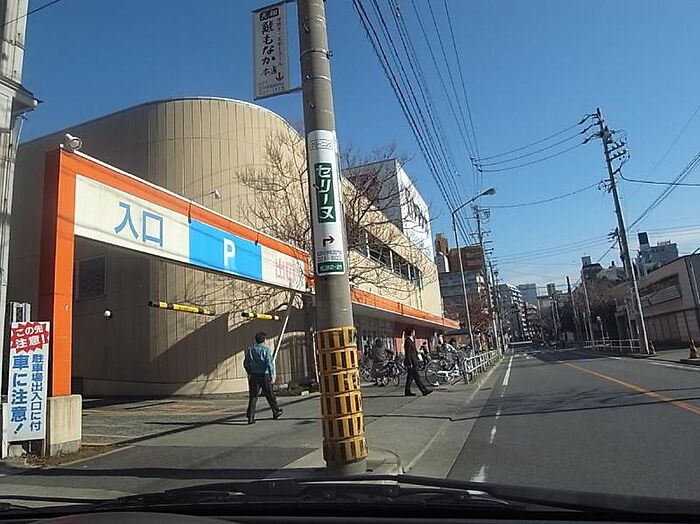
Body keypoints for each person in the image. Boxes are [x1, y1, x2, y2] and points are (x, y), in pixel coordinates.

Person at [244, 331, 283, 424]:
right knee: (270, 394)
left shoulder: (250, 349)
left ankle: (250, 416)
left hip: (254, 375)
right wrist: (272, 375)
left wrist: (249, 371)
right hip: (264, 374)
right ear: (264, 340)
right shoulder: (266, 350)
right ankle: (276, 411)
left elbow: (246, 363)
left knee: (253, 396)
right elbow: (269, 363)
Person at [403, 326, 432, 397]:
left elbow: (413, 351)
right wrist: (409, 363)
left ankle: (407, 391)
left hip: (414, 361)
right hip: (412, 362)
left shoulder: (411, 340)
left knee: (410, 378)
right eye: (413, 332)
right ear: (411, 332)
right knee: (417, 377)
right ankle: (424, 390)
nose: (414, 333)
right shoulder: (408, 341)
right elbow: (408, 353)